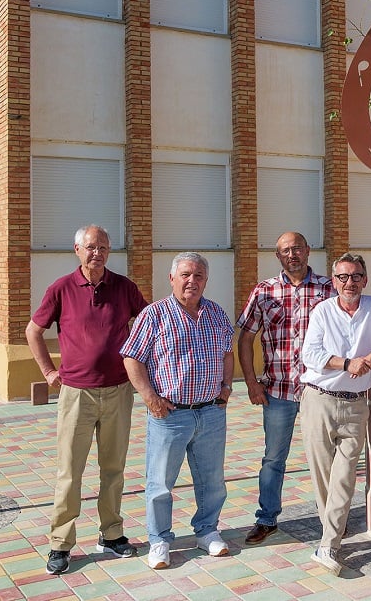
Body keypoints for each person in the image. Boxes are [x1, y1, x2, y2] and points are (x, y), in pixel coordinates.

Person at [26, 224, 148, 575]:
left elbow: (148, 323)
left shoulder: (124, 287)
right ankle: (61, 543)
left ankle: (111, 534)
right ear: (77, 249)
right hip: (76, 393)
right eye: (91, 247)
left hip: (118, 391)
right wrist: (50, 373)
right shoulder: (62, 288)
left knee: (114, 469)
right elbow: (34, 331)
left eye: (104, 248)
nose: (98, 253)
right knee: (70, 471)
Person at [121, 252, 236, 570]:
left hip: (211, 412)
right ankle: (159, 540)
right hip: (170, 416)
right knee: (160, 483)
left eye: (199, 275)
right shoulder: (153, 315)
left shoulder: (216, 313)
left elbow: (228, 352)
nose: (192, 281)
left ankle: (208, 530)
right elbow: (132, 357)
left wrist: (226, 387)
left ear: (206, 281)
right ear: (171, 279)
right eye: (185, 274)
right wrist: (150, 398)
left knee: (212, 480)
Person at [299, 253, 371, 575]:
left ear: (365, 279)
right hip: (319, 400)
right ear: (333, 282)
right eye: (343, 277)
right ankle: (332, 529)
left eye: (356, 276)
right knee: (323, 476)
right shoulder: (322, 311)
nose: (350, 282)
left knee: (343, 477)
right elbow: (310, 354)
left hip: (356, 404)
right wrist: (347, 364)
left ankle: (328, 544)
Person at [237, 232, 334, 545]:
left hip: (318, 391)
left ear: (307, 250)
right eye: (285, 251)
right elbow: (246, 338)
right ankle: (267, 519)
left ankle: (331, 520)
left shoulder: (329, 288)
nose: (292, 254)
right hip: (277, 392)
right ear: (277, 256)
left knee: (324, 458)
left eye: (296, 248)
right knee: (273, 460)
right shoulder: (265, 291)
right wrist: (251, 383)